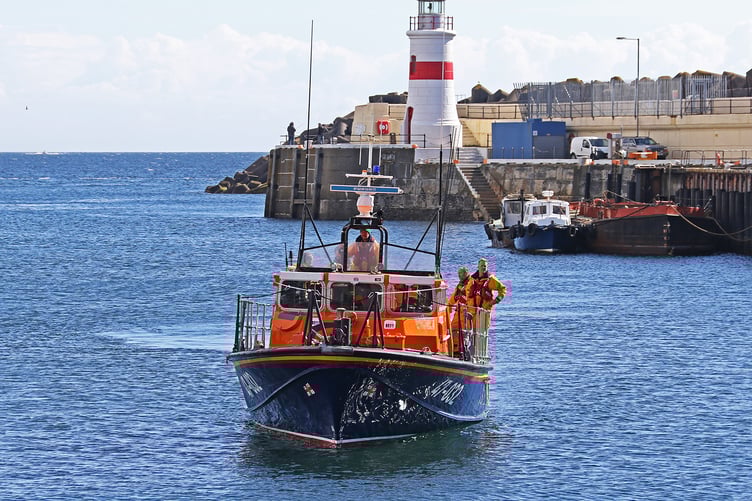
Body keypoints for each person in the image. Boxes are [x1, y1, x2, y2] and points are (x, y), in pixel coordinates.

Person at [447, 266, 473, 330]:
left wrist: (462, 298)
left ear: (466, 273)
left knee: (466, 331)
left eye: (460, 273)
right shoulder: (460, 285)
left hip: (468, 312)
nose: (459, 276)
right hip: (459, 311)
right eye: (458, 274)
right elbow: (453, 298)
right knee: (453, 329)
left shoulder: (471, 283)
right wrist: (448, 307)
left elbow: (471, 298)